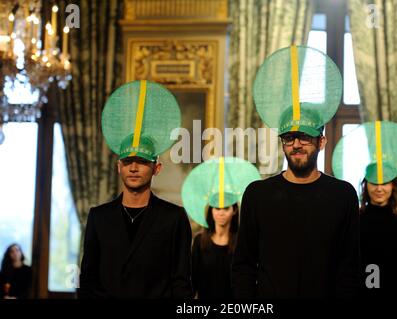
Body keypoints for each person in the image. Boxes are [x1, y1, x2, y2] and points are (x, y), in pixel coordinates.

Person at [231, 45, 360, 298]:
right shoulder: (258, 194)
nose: (297, 144)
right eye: (289, 138)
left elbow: (350, 270)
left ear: (321, 142)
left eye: (305, 137)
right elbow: (244, 266)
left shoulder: (343, 195)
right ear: (282, 143)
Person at [78, 80, 192, 298]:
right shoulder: (98, 217)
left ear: (156, 168)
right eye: (128, 161)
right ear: (118, 166)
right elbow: (88, 280)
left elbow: (181, 281)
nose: (133, 168)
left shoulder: (174, 217)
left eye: (141, 161)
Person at [332, 121, 397, 299]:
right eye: (374, 183)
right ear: (365, 186)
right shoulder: (355, 221)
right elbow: (345, 266)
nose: (379, 188)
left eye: (385, 183)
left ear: (393, 186)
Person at [182, 157, 260, 299]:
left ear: (234, 210)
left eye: (226, 208)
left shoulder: (240, 243)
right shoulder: (200, 242)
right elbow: (192, 280)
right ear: (211, 210)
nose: (221, 213)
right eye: (217, 208)